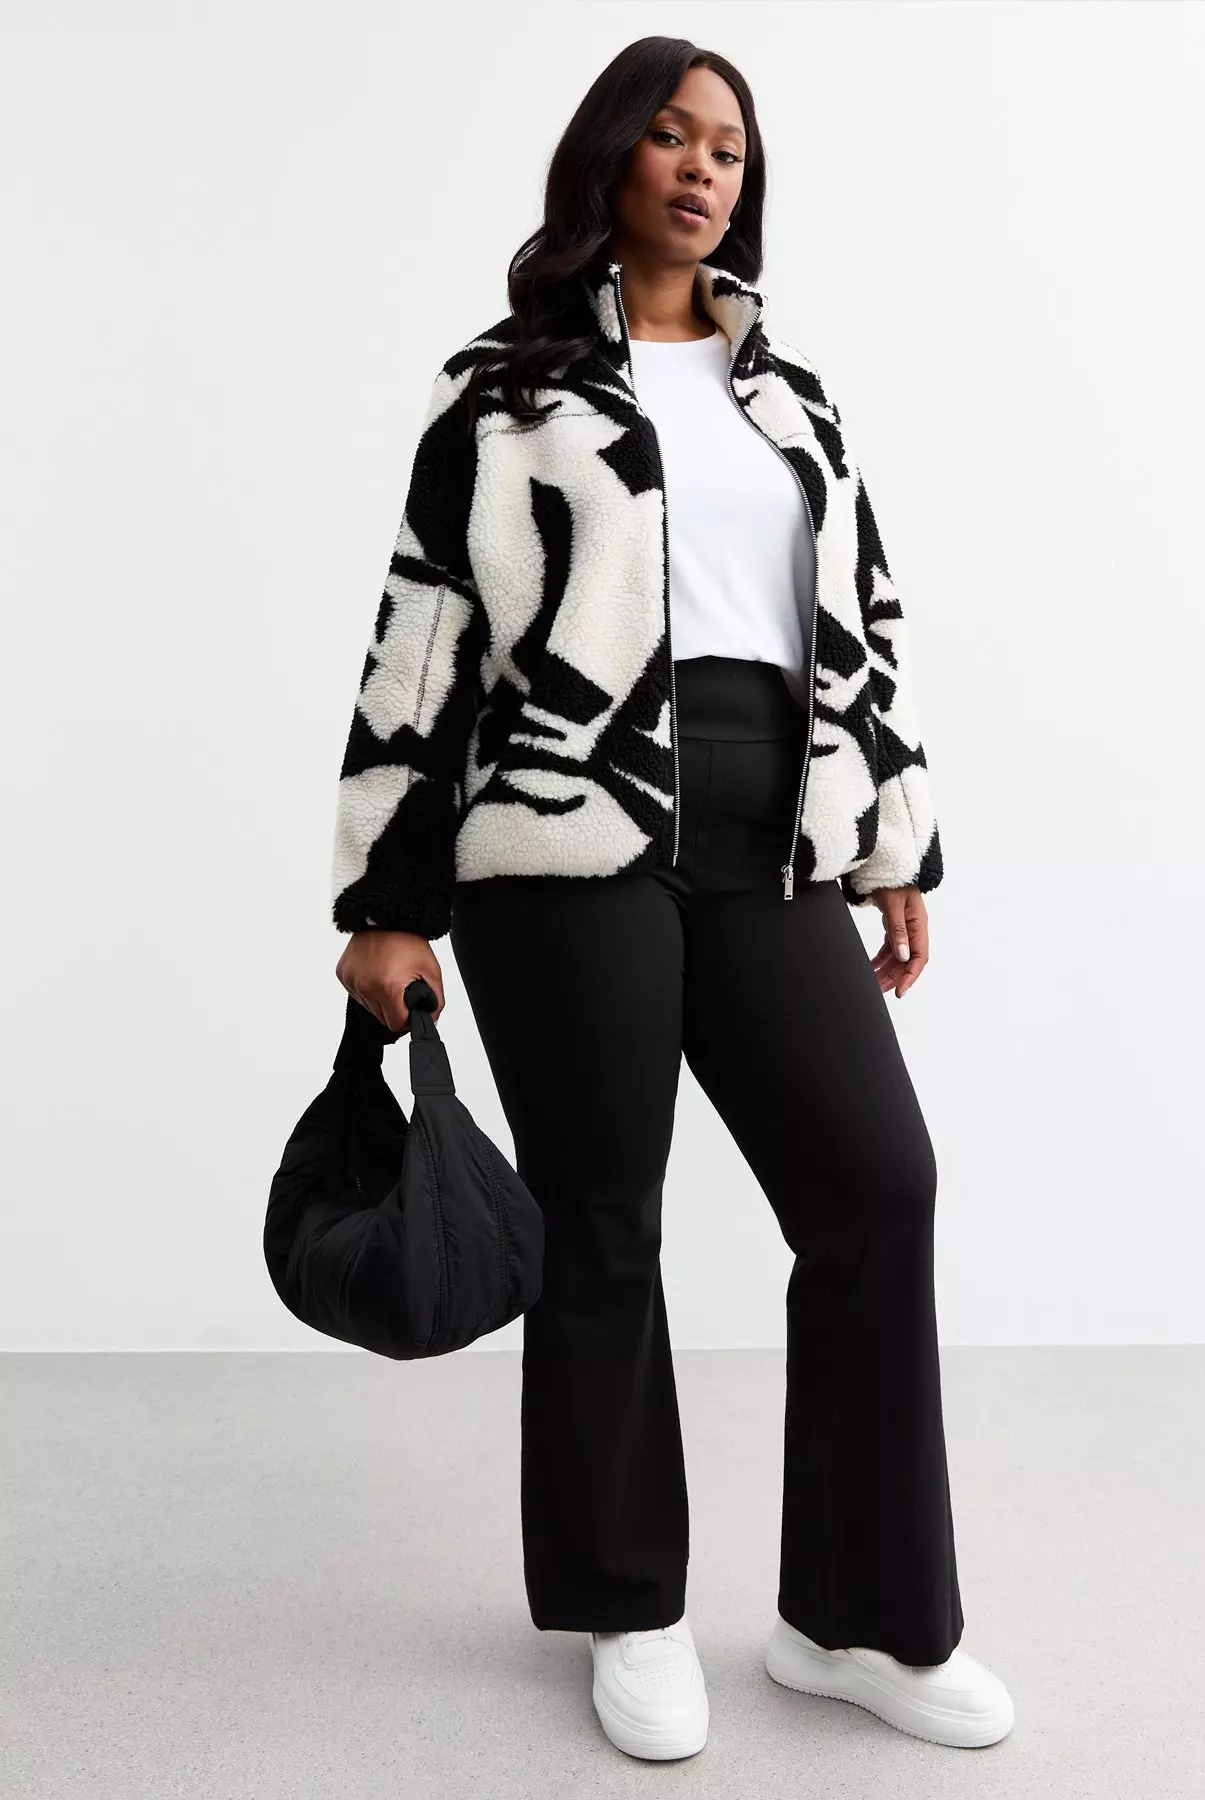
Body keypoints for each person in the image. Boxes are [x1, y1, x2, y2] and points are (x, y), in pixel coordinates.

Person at [330, 34, 1014, 1763]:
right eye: (670, 135)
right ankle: (625, 1603)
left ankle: (856, 1619)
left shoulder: (793, 400)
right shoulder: (503, 394)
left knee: (875, 1188)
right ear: (609, 160)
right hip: (565, 834)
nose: (703, 167)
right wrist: (387, 896)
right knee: (603, 1216)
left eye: (728, 146)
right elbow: (422, 639)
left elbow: (860, 627)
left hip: (773, 824)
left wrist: (891, 843)